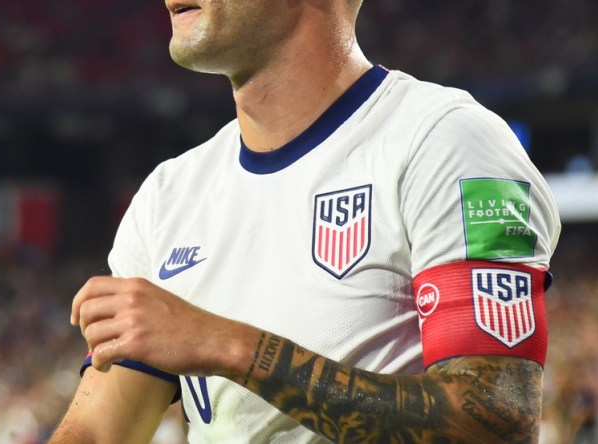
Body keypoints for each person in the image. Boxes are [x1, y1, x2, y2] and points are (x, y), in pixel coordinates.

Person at [49, 0, 561, 442]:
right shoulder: (169, 196)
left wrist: (222, 344)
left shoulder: (447, 142)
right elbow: (96, 429)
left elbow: (497, 422)